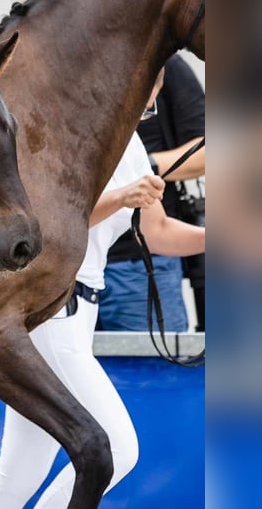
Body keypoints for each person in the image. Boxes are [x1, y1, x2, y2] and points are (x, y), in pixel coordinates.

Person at [0, 73, 205, 509]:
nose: (144, 110)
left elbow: (159, 232)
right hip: (53, 312)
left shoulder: (130, 147)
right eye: (145, 100)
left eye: (149, 105)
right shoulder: (67, 133)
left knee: (19, 472)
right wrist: (120, 197)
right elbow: (41, 231)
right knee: (114, 448)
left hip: (75, 313)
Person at [100, 54, 205, 332]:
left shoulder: (166, 67)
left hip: (139, 264)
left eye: (146, 109)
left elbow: (156, 231)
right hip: (67, 279)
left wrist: (148, 168)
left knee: (153, 368)